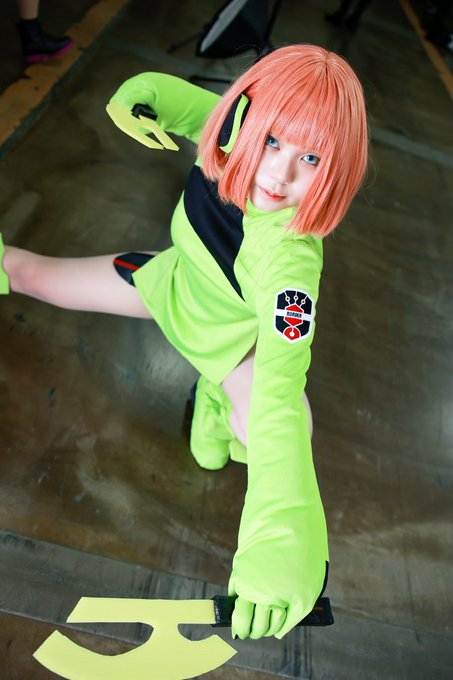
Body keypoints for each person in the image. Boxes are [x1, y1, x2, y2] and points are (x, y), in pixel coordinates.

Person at [0, 44, 368, 640]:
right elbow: (185, 104)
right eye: (272, 140)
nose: (278, 174)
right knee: (32, 273)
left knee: (273, 426)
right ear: (245, 119)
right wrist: (140, 96)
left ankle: (216, 408)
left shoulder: (291, 265)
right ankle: (212, 410)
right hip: (169, 285)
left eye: (311, 157)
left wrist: (283, 547)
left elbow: (280, 400)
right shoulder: (228, 136)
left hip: (233, 350)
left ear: (337, 167)